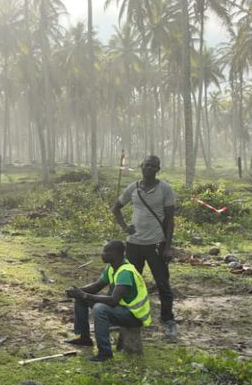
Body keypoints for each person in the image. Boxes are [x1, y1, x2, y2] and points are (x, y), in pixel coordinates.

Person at [111, 154, 177, 339]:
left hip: (156, 243)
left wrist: (168, 247)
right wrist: (125, 227)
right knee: (128, 283)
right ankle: (127, 317)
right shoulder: (133, 188)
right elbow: (116, 207)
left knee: (162, 283)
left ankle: (168, 319)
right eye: (146, 165)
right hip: (134, 244)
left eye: (153, 166)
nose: (149, 169)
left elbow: (170, 219)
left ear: (158, 169)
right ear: (141, 166)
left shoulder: (165, 189)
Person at [66, 240, 152, 362]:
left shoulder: (125, 272)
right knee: (80, 298)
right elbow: (97, 286)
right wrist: (78, 292)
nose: (102, 254)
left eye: (106, 251)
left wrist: (85, 295)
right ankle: (85, 338)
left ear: (116, 254)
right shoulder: (112, 267)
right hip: (123, 309)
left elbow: (113, 300)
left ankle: (105, 352)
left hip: (134, 315)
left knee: (100, 309)